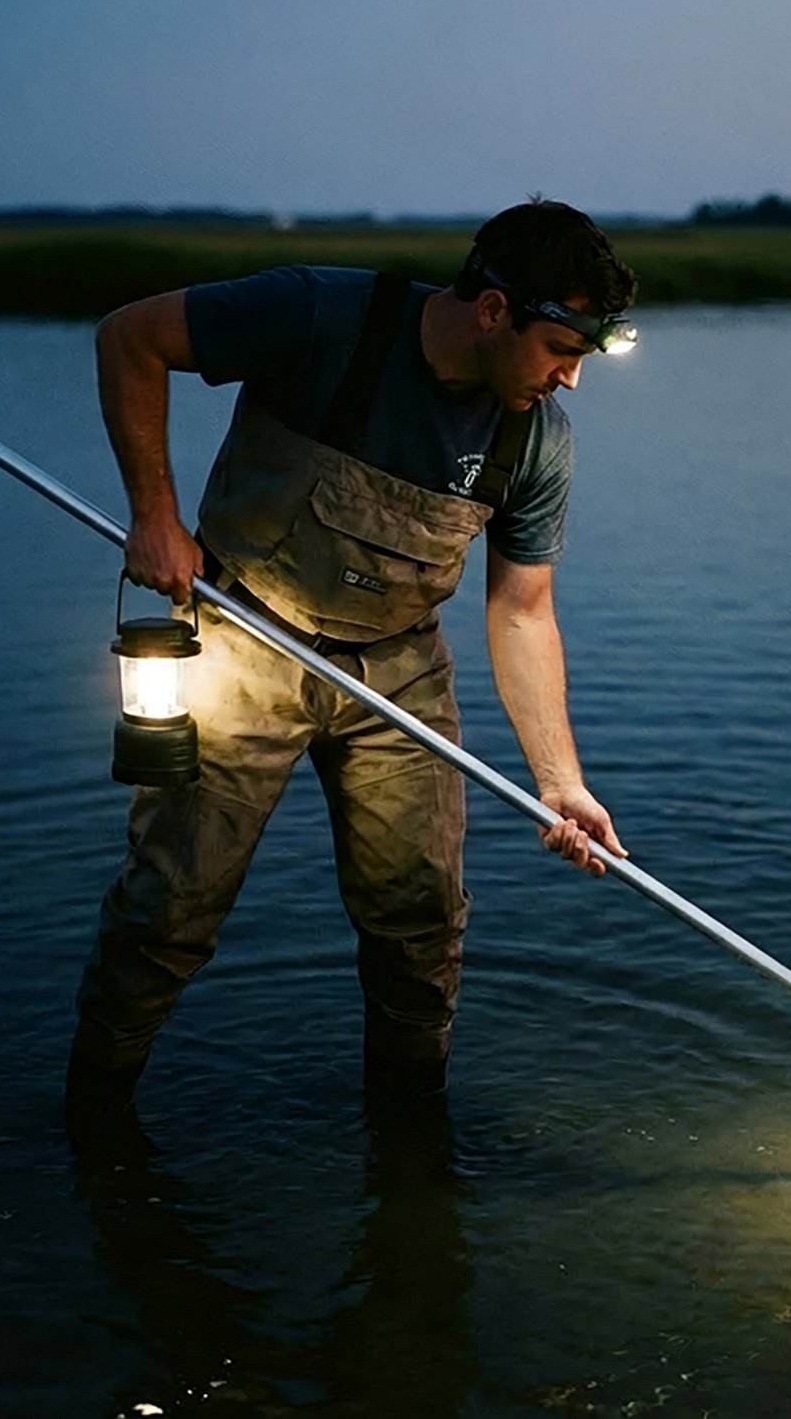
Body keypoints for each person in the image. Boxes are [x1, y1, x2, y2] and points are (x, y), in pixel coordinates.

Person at [66, 199, 639, 1117]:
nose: (570, 380)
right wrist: (153, 515)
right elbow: (131, 337)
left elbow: (524, 611)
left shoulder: (535, 439)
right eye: (561, 351)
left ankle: (412, 1153)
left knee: (421, 920)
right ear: (493, 311)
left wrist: (559, 780)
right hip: (242, 636)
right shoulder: (319, 315)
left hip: (400, 671)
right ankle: (92, 1119)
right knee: (171, 907)